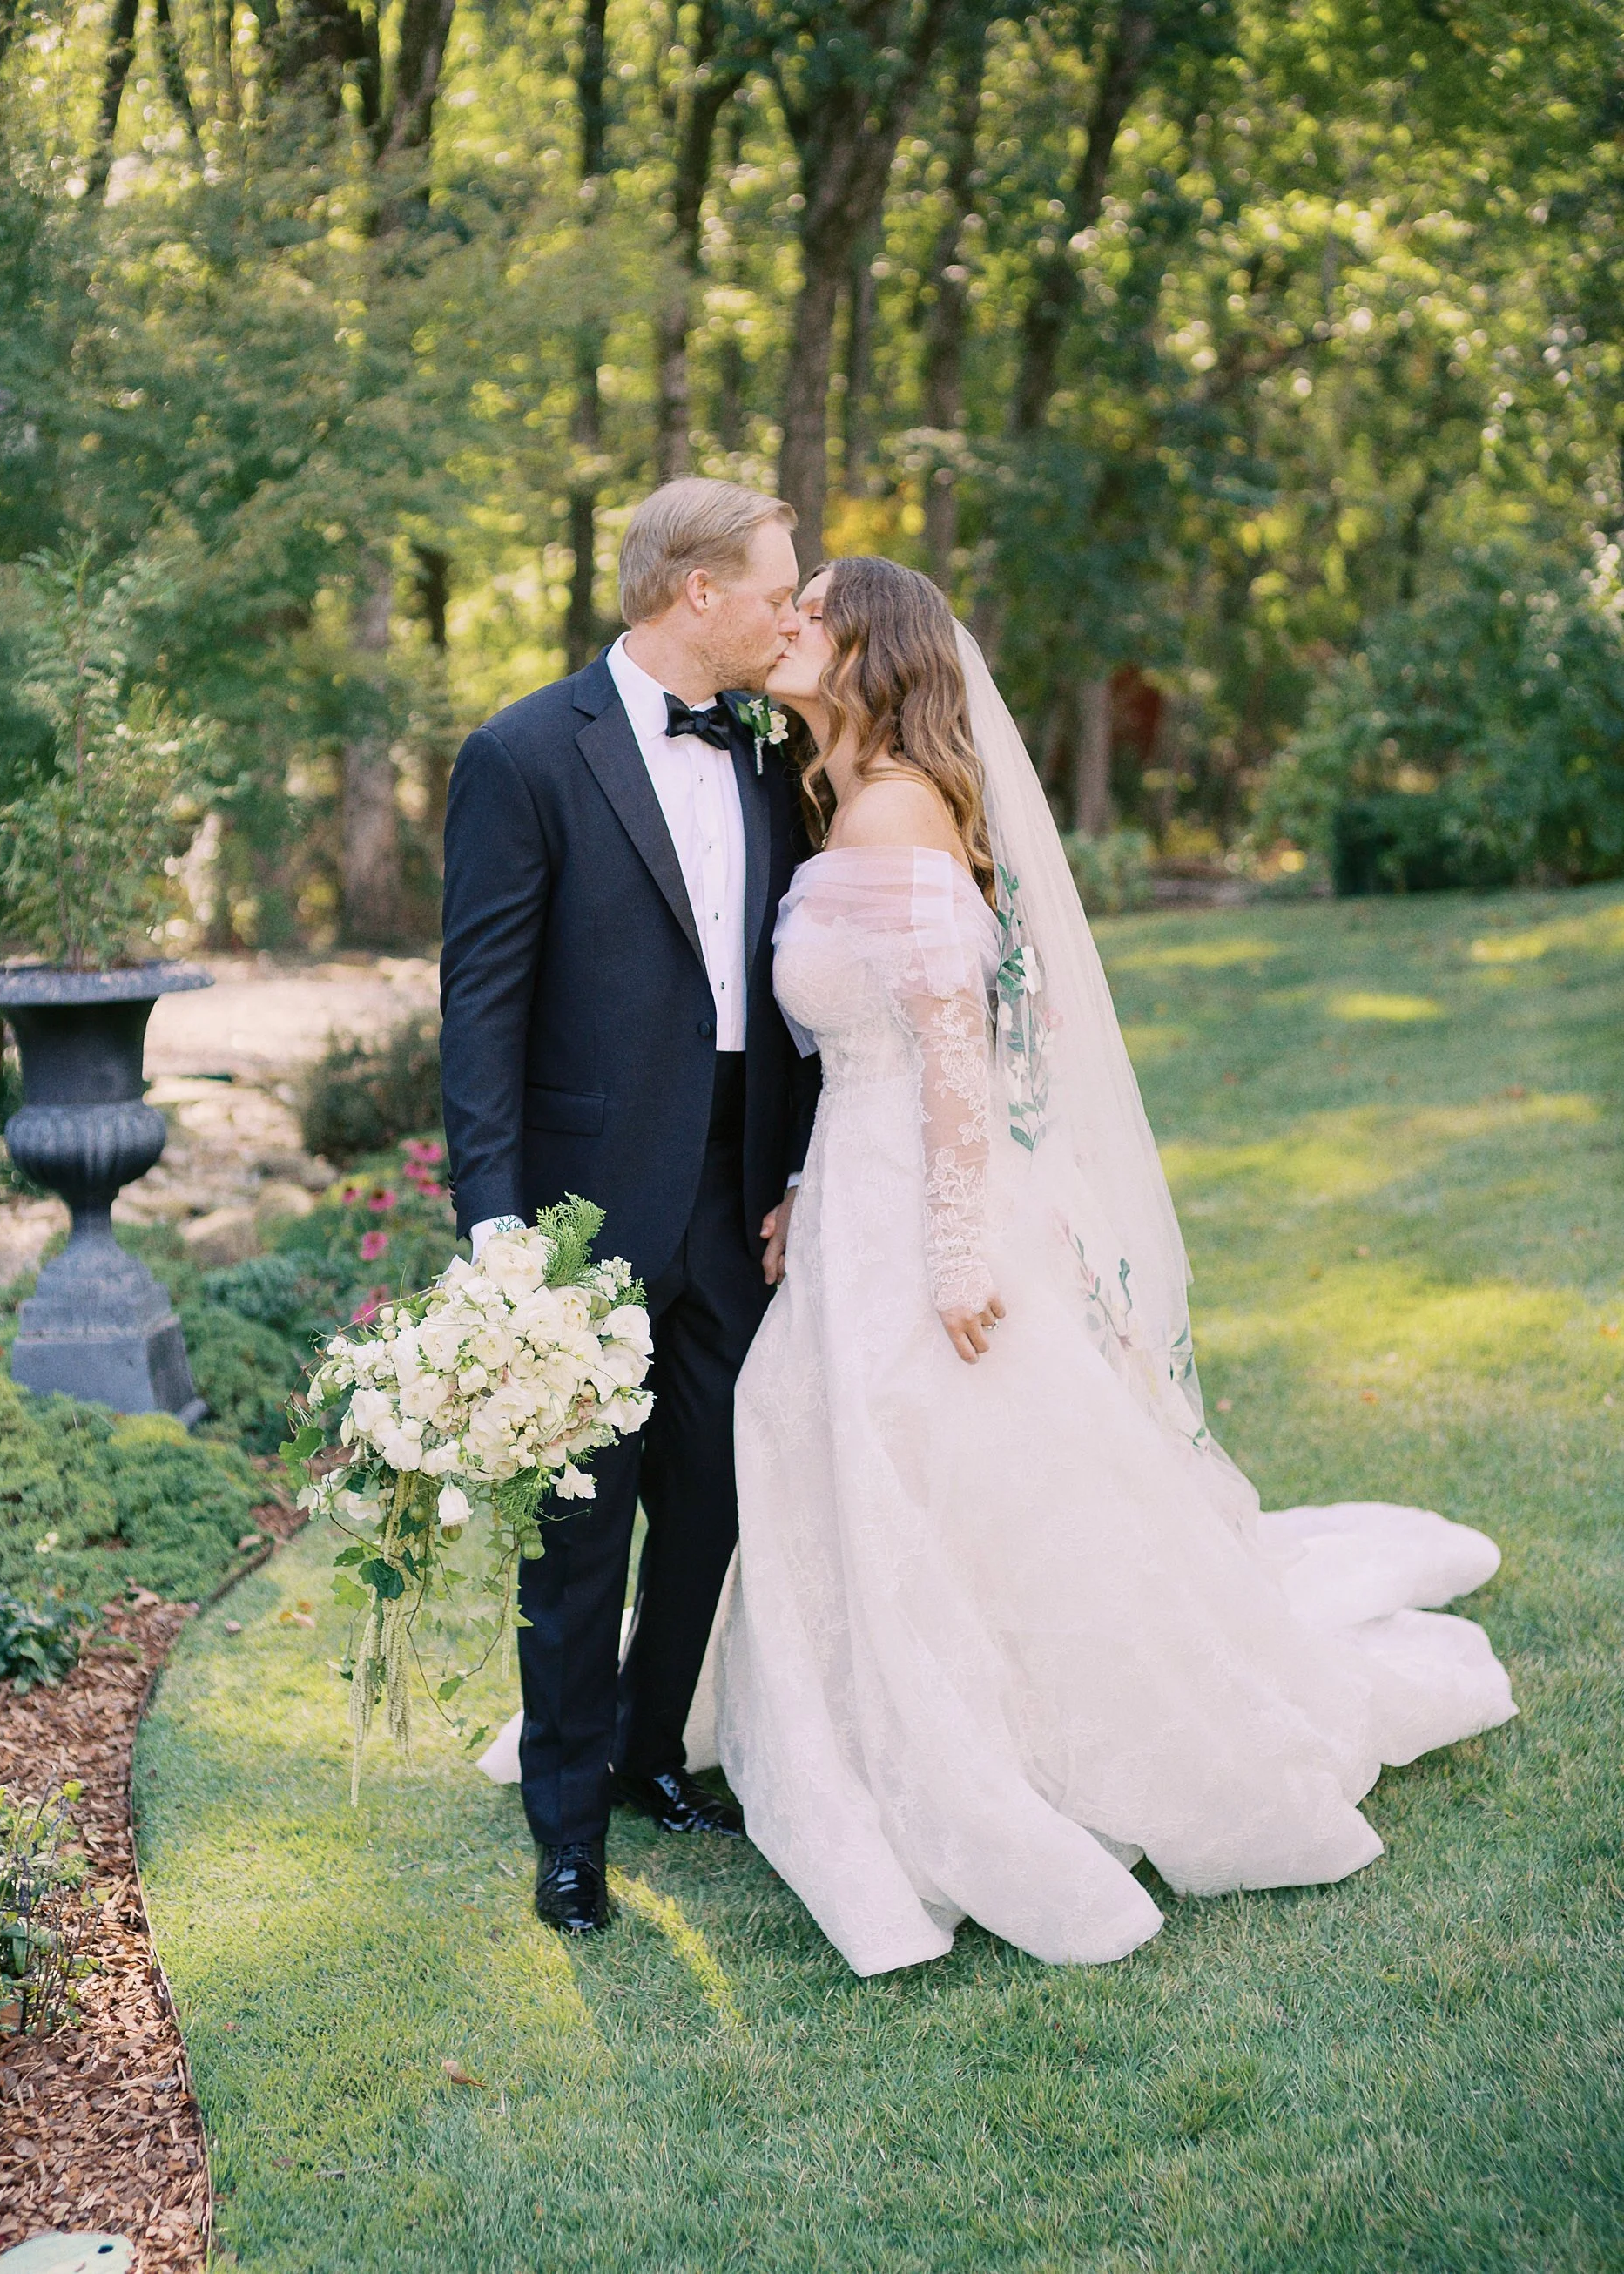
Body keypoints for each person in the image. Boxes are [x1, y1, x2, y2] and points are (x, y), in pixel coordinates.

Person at [714, 556, 1517, 1976]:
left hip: (923, 1214)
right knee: (824, 1436)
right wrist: (797, 1187)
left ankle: (987, 1747)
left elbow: (957, 1065)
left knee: (930, 1460)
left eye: (815, 605)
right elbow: (870, 1050)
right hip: (853, 1187)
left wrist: (956, 1255)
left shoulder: (893, 809)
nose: (790, 619)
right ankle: (878, 1723)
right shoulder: (844, 799)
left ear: (871, 650)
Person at [441, 477, 819, 1935]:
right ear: (694, 594)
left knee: (714, 1503)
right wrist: (496, 1232)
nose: (792, 613)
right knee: (580, 1533)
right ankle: (567, 1825)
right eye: (776, 588)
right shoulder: (525, 753)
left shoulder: (771, 752)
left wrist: (803, 1174)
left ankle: (656, 1747)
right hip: (583, 1216)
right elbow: (481, 1010)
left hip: (742, 1196)